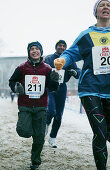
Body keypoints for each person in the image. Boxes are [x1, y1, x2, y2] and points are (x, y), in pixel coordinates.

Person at [54, 1, 110, 169]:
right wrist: (62, 60)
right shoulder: (87, 34)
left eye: (109, 4)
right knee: (100, 133)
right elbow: (71, 52)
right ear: (96, 12)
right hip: (91, 89)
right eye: (102, 5)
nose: (106, 7)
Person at [9, 41, 59, 170]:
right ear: (28, 52)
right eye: (32, 49)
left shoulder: (47, 68)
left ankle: (35, 161)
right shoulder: (22, 67)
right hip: (25, 106)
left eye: (37, 49)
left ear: (41, 52)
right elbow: (12, 81)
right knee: (23, 131)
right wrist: (16, 87)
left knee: (39, 137)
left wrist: (54, 79)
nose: (35, 51)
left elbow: (53, 88)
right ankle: (30, 127)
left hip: (41, 107)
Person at [44, 40, 80, 148]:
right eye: (60, 45)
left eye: (64, 46)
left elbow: (78, 70)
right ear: (56, 47)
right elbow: (42, 69)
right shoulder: (49, 58)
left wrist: (75, 72)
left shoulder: (68, 59)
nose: (62, 47)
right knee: (51, 111)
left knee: (59, 115)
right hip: (50, 87)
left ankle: (52, 138)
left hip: (62, 87)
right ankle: (44, 130)